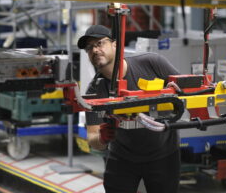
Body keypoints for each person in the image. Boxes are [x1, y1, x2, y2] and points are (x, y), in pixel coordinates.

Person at [77, 25, 181, 193]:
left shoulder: (152, 63)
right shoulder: (93, 93)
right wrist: (102, 138)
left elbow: (186, 90)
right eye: (89, 48)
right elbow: (92, 139)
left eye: (99, 43)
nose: (95, 50)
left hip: (163, 155)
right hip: (122, 158)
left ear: (115, 45)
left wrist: (173, 92)